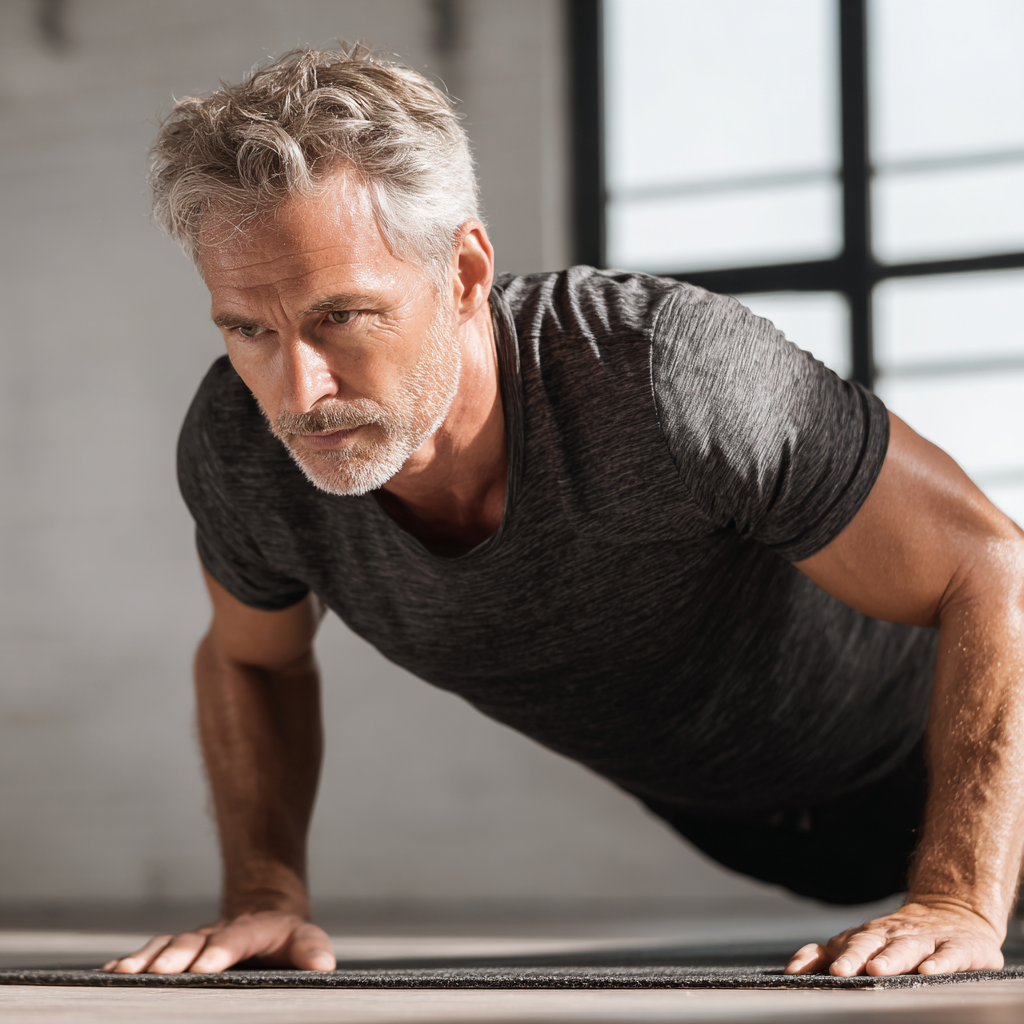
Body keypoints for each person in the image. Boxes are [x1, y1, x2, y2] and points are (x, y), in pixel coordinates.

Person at [105, 46, 1024, 979]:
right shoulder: (239, 446)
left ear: (464, 272)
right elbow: (252, 660)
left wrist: (959, 894)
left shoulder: (663, 375)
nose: (298, 390)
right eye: (249, 329)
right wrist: (265, 893)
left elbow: (989, 563)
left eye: (341, 315)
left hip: (976, 766)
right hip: (762, 830)